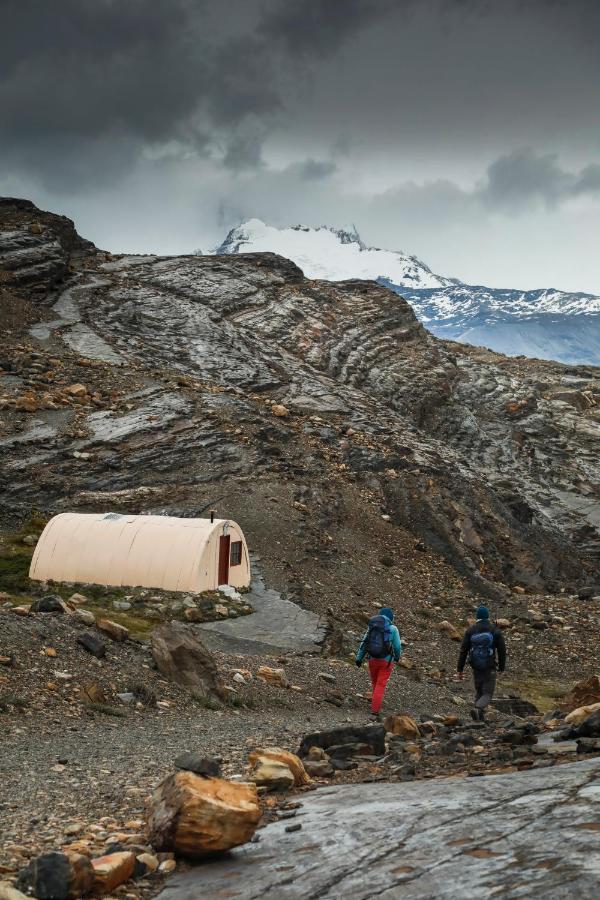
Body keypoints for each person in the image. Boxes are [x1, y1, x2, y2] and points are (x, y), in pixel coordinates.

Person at [457, 604, 506, 721]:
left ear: (477, 617)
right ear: (487, 616)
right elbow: (502, 650)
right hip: (489, 666)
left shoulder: (471, 630)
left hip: (476, 666)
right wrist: (502, 668)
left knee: (479, 692)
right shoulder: (494, 630)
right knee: (487, 694)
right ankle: (477, 709)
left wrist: (460, 669)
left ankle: (478, 720)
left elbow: (463, 650)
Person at [355, 607, 402, 719]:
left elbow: (364, 643)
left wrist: (359, 658)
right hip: (386, 661)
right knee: (381, 684)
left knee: (375, 683)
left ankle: (375, 704)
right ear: (391, 618)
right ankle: (375, 710)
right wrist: (397, 657)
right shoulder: (393, 628)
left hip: (372, 659)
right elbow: (397, 646)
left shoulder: (372, 627)